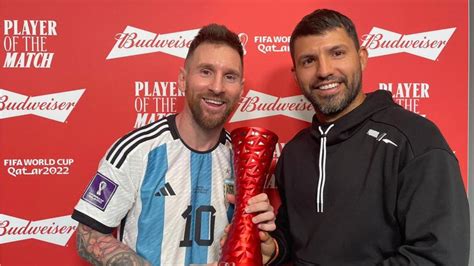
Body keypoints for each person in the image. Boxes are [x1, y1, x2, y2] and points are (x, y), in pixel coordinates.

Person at [265, 9, 469, 265]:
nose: (324, 70)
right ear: (296, 75)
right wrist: (273, 249)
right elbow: (295, 237)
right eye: (309, 61)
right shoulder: (294, 153)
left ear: (361, 58)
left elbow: (437, 256)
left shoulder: (414, 138)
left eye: (337, 53)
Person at [71, 24, 276, 265]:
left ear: (240, 90)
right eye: (206, 72)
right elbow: (87, 233)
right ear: (182, 80)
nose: (217, 87)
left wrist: (261, 241)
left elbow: (250, 248)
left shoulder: (242, 159)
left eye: (229, 77)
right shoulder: (136, 150)